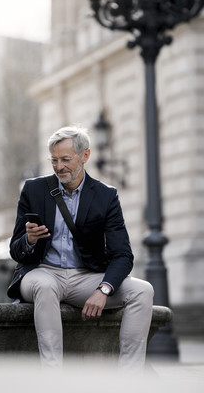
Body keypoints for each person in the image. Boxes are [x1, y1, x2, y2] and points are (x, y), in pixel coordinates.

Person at [8, 125, 154, 370]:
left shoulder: (106, 196)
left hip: (85, 277)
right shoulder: (34, 189)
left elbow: (123, 255)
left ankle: (130, 379)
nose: (59, 167)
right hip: (42, 273)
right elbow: (15, 250)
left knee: (143, 291)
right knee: (45, 286)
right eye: (54, 160)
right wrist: (29, 240)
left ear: (85, 156)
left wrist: (104, 289)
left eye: (66, 159)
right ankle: (53, 377)